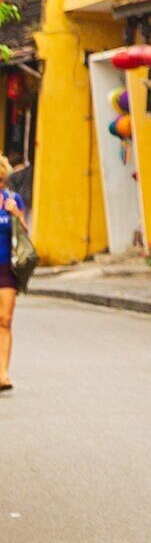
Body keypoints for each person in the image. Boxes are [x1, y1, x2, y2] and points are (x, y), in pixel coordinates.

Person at [0, 167, 27, 395]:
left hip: (7, 268)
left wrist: (17, 214)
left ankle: (3, 374)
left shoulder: (12, 200)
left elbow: (26, 234)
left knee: (5, 320)